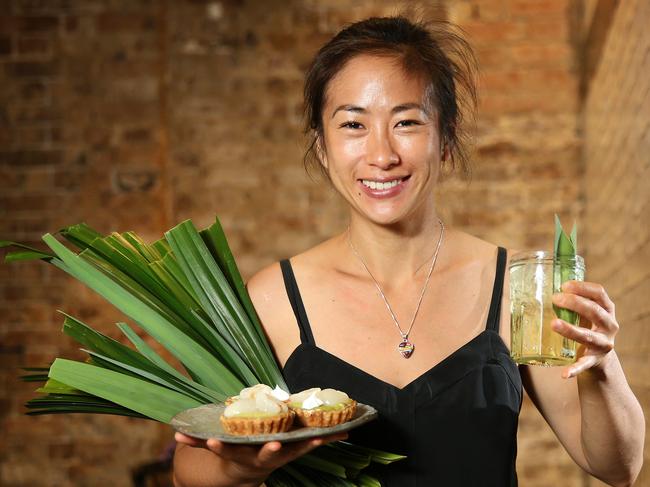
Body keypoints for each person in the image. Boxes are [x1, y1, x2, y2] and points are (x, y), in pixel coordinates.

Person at [173, 16, 644, 487]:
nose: (382, 155)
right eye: (353, 124)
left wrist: (601, 365)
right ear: (322, 146)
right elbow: (187, 470)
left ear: (445, 136)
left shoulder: (514, 283)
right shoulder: (273, 298)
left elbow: (617, 466)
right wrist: (235, 466)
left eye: (406, 122)